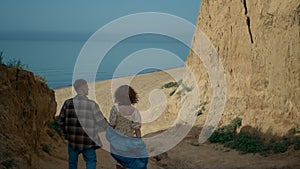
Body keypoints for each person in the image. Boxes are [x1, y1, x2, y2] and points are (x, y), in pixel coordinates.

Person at [58, 79, 107, 169]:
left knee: (73, 163)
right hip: (88, 141)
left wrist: (67, 134)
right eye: (86, 86)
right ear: (82, 87)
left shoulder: (67, 103)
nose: (88, 88)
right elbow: (101, 122)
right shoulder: (92, 104)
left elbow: (61, 121)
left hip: (73, 140)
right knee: (91, 161)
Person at [107, 85, 148, 169]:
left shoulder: (115, 109)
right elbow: (137, 129)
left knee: (119, 164)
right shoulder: (135, 112)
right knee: (129, 163)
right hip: (129, 141)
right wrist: (139, 142)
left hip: (117, 141)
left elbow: (112, 124)